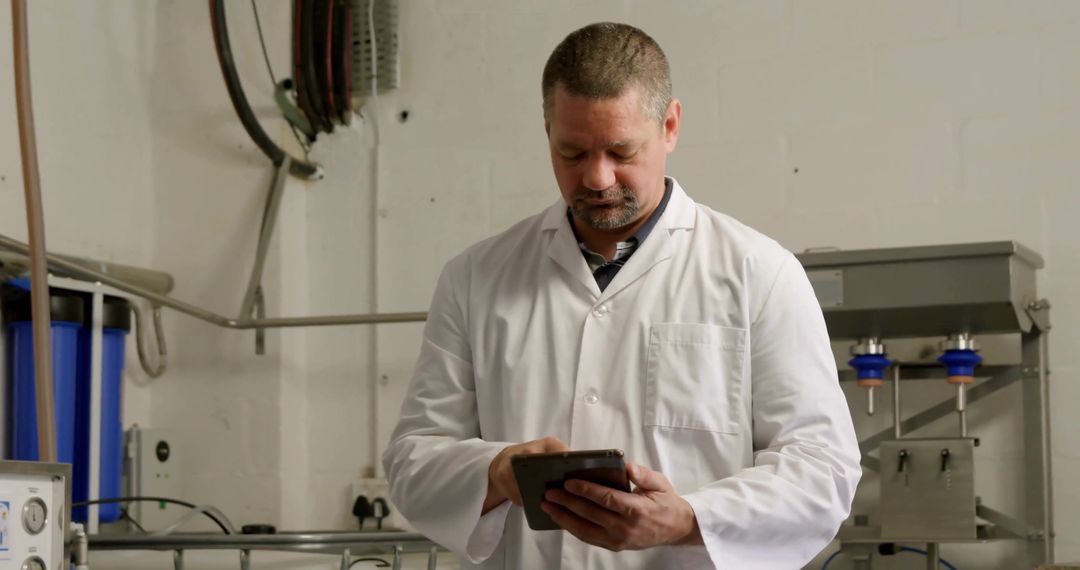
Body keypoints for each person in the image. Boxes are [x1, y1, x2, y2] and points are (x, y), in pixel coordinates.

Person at [383, 22, 861, 569]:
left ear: (671, 126)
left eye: (620, 149)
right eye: (572, 152)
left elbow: (822, 469)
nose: (597, 176)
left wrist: (688, 518)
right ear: (547, 130)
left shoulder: (760, 272)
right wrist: (497, 473)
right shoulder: (475, 278)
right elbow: (412, 462)